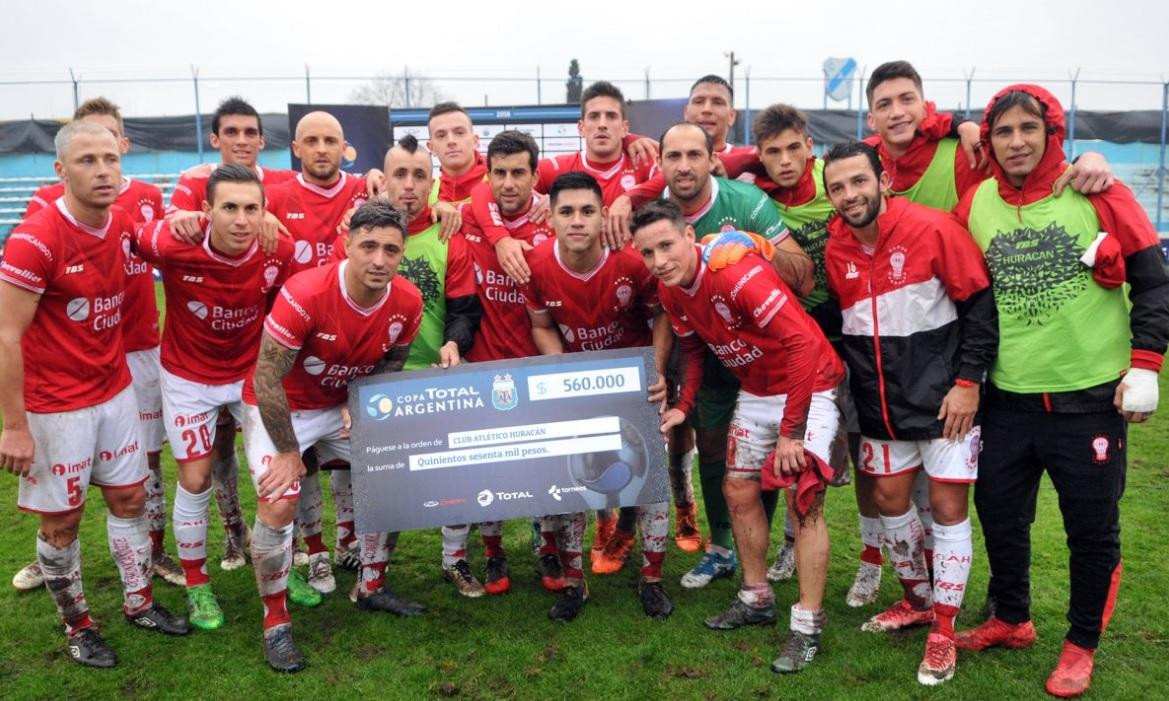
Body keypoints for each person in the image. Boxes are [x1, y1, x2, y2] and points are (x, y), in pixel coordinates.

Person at [953, 84, 1169, 698]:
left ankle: (1080, 644)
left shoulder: (1099, 192)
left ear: (1052, 131)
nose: (1016, 141)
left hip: (1088, 401)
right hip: (1009, 400)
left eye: (1029, 128)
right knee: (998, 514)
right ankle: (1012, 618)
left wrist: (1147, 364)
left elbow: (1155, 283)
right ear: (989, 141)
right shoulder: (978, 202)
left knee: (1091, 530)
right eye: (1002, 132)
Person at [0, 120, 190, 668]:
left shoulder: (122, 222)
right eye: (87, 161)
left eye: (111, 158)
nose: (103, 170)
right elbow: (6, 333)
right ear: (60, 170)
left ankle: (139, 603)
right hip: (55, 405)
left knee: (130, 498)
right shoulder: (36, 239)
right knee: (61, 522)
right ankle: (78, 625)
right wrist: (14, 425)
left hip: (114, 392)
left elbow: (163, 238)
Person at [635, 198, 844, 674]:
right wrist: (683, 405)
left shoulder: (735, 272)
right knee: (737, 488)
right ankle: (755, 597)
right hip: (757, 388)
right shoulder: (671, 292)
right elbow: (692, 350)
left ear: (690, 237)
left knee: (802, 499)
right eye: (647, 253)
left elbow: (802, 344)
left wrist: (792, 431)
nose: (659, 261)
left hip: (809, 383)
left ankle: (807, 627)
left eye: (666, 246)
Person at [822, 141, 997, 685]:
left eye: (858, 181)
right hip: (880, 409)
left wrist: (968, 383)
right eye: (837, 187)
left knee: (946, 508)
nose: (850, 195)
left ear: (882, 179)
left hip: (946, 405)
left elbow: (980, 307)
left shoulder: (934, 228)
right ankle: (916, 599)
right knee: (889, 501)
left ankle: (944, 631)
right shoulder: (836, 251)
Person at [243, 200, 425, 672]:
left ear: (402, 252)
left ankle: (371, 585)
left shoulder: (408, 300)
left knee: (396, 474)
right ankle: (276, 623)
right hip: (281, 406)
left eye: (390, 249)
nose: (379, 260)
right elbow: (267, 377)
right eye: (368, 246)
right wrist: (288, 452)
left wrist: (356, 401)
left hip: (339, 404)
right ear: (347, 245)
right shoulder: (305, 292)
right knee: (278, 503)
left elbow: (391, 364)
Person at [135, 164, 299, 630]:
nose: (241, 220)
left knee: (277, 478)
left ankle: (280, 571)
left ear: (265, 212)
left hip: (250, 373)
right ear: (206, 210)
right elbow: (132, 234)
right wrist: (166, 221)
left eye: (252, 208)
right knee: (195, 478)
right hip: (188, 375)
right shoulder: (173, 244)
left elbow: (284, 312)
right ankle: (196, 585)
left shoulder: (278, 249)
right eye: (229, 207)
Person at [653, 121, 813, 591]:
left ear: (712, 159)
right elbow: (661, 303)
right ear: (660, 164)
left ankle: (756, 552)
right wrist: (659, 370)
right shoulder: (654, 216)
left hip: (764, 352)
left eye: (693, 155)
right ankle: (720, 548)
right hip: (708, 348)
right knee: (713, 443)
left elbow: (803, 275)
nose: (684, 166)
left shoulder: (745, 204)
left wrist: (759, 249)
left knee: (765, 456)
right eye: (673, 157)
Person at [523, 171, 674, 620]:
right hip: (580, 392)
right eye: (566, 211)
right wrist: (564, 372)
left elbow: (662, 316)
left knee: (651, 483)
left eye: (587, 211)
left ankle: (652, 580)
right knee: (572, 485)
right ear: (550, 218)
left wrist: (658, 371)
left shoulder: (631, 263)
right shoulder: (536, 265)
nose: (577, 221)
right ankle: (574, 584)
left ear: (602, 215)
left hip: (636, 389)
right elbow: (541, 325)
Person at [375, 133, 492, 597]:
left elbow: (465, 310)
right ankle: (374, 571)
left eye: (419, 175)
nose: (408, 185)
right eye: (399, 175)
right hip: (379, 378)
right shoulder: (363, 233)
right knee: (384, 479)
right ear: (382, 181)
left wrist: (453, 343)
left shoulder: (449, 236)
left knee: (455, 474)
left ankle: (455, 561)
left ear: (433, 184)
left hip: (437, 377)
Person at [457, 131, 566, 592]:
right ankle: (494, 552)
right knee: (487, 467)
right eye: (499, 172)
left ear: (535, 176)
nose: (507, 183)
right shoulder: (466, 217)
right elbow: (467, 200)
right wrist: (496, 234)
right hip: (483, 363)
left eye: (518, 172)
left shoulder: (552, 222)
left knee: (543, 464)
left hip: (534, 363)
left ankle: (547, 548)